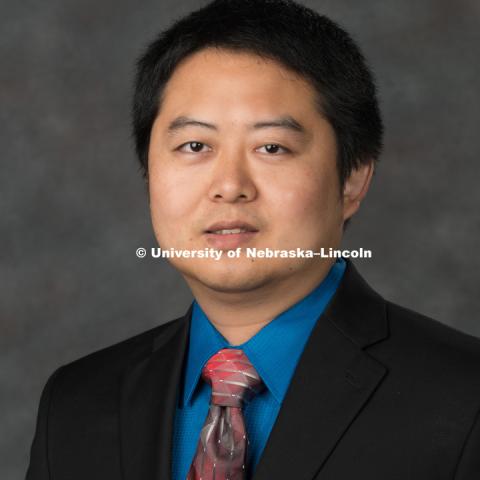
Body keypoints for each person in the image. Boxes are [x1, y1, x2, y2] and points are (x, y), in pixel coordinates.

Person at [25, 0, 480, 479]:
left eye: (272, 147)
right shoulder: (75, 403)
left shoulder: (465, 400)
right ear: (148, 173)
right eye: (195, 146)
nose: (229, 185)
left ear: (353, 179)